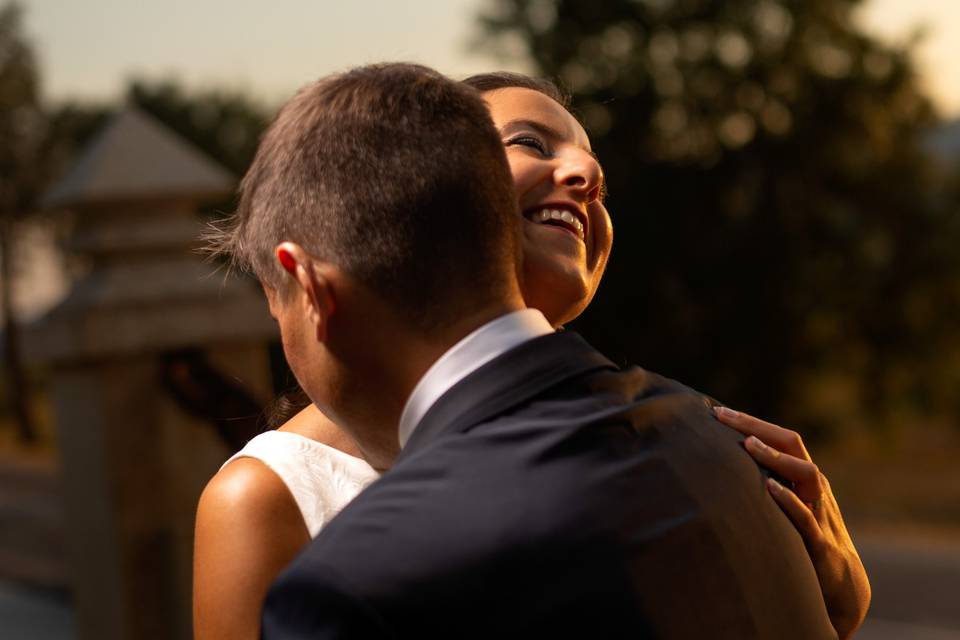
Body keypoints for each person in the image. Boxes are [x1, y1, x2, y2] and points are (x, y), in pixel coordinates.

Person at [202, 62, 845, 639]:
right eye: (529, 144)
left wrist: (830, 596)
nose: (588, 176)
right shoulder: (268, 498)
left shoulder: (697, 430)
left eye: (597, 171)